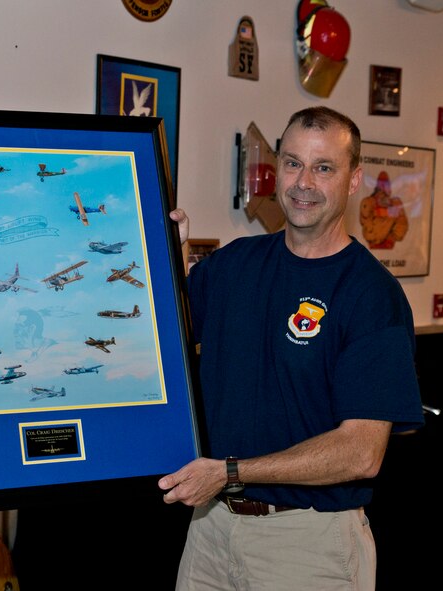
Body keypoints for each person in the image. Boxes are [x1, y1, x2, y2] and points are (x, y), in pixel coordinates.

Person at [160, 106, 425, 590]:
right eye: (292, 162)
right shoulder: (232, 266)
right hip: (210, 531)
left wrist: (231, 472)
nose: (304, 182)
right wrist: (164, 253)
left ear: (353, 180)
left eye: (324, 168)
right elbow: (166, 336)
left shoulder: (370, 295)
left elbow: (362, 453)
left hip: (309, 545)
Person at [359, 170, 409, 249]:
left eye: (386, 186)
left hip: (390, 244)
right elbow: (364, 220)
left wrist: (392, 237)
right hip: (372, 242)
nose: (384, 189)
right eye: (381, 186)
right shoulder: (368, 201)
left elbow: (402, 224)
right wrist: (379, 209)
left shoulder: (396, 203)